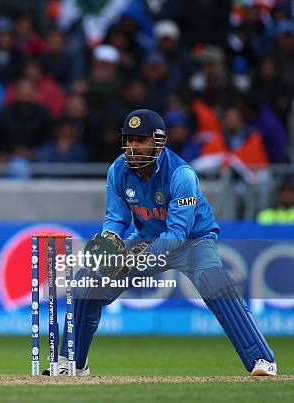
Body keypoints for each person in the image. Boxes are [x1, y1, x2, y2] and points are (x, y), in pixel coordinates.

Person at [46, 109, 277, 377]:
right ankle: (73, 364)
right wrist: (110, 242)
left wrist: (136, 259)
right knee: (88, 281)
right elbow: (116, 220)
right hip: (146, 239)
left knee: (216, 285)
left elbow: (178, 234)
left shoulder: (182, 175)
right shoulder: (118, 170)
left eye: (140, 140)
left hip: (193, 242)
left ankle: (263, 360)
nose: (132, 147)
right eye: (129, 140)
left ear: (158, 142)